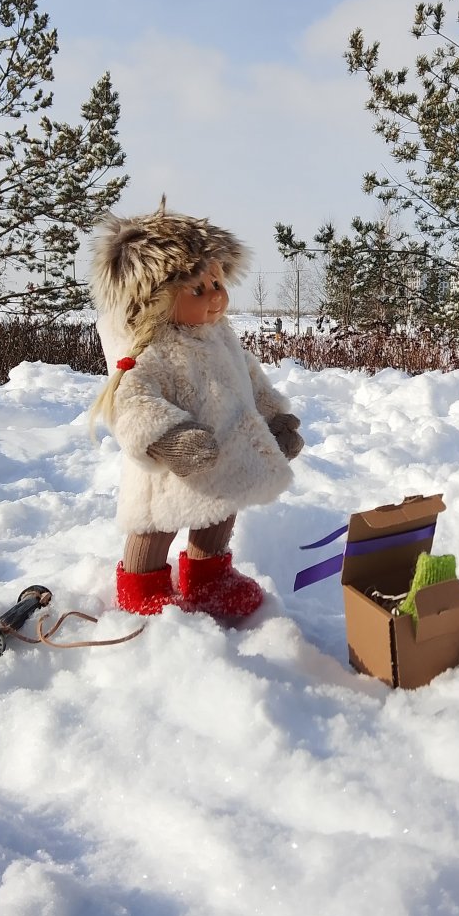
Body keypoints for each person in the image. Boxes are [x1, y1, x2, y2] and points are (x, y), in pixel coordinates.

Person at [89, 198, 304, 619]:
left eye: (218, 284)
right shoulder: (151, 348)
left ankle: (209, 577)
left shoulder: (219, 335)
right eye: (199, 289)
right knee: (157, 525)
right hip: (173, 468)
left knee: (220, 514)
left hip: (227, 454)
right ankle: (142, 583)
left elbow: (251, 379)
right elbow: (130, 401)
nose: (216, 299)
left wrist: (274, 418)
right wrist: (168, 438)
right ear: (156, 295)